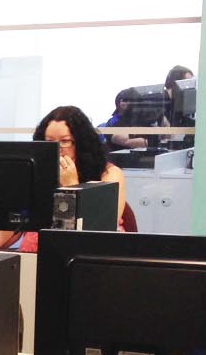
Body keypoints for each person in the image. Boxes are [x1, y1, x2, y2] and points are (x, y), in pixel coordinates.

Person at [23, 105, 128, 249]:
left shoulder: (110, 175)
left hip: (88, 255)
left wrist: (71, 186)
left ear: (81, 143)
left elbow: (96, 231)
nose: (57, 149)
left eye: (65, 141)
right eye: (49, 142)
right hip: (36, 254)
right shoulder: (39, 174)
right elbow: (12, 227)